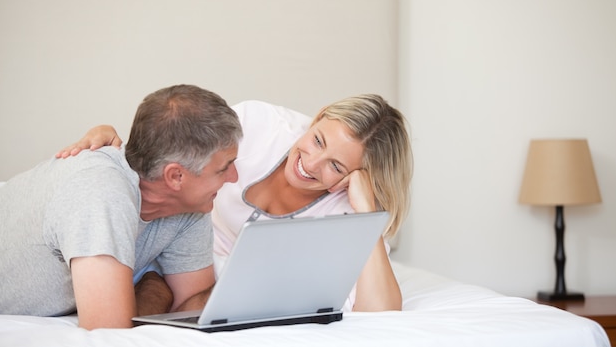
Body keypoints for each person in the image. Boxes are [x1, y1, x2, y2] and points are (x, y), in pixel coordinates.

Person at [58, 94, 413, 312]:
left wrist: (369, 213)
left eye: (336, 165)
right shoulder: (259, 125)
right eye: (318, 140)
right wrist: (114, 144)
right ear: (317, 118)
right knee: (153, 287)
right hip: (178, 255)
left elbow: (380, 311)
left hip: (223, 288)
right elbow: (175, 158)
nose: (311, 164)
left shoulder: (346, 205)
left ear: (358, 175)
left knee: (165, 297)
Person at [0, 84, 242, 330]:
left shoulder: (191, 208)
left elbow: (192, 310)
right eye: (224, 167)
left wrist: (156, 288)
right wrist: (153, 285)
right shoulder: (99, 189)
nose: (234, 177)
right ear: (175, 176)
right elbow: (108, 333)